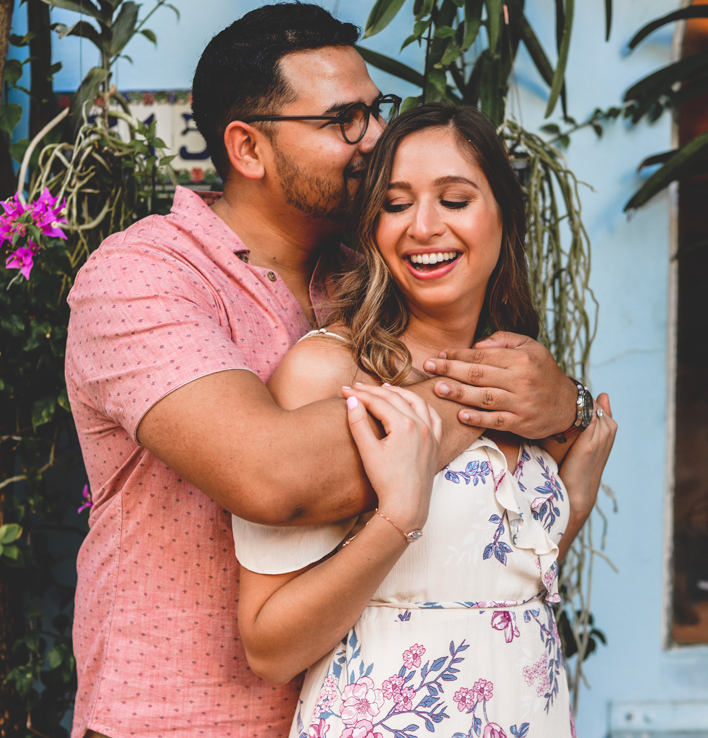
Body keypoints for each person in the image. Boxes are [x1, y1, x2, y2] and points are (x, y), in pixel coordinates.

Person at [65, 3, 596, 737]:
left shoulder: (376, 273)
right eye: (344, 120)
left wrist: (564, 406)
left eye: (378, 112)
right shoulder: (145, 277)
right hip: (179, 718)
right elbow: (272, 475)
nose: (375, 139)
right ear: (248, 148)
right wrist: (490, 393)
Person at [232, 103, 617, 738]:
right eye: (396, 203)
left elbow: (492, 591)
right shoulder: (332, 373)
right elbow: (270, 648)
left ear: (503, 215)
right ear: (372, 226)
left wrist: (571, 503)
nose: (424, 226)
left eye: (456, 200)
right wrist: (396, 521)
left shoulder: (518, 378)